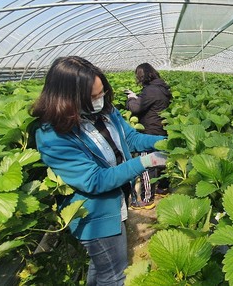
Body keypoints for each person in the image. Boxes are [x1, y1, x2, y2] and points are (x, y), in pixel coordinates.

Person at [31, 56, 167, 285]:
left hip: (117, 200)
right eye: (93, 97)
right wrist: (145, 163)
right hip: (95, 214)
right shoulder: (52, 135)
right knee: (114, 274)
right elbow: (94, 180)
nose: (100, 99)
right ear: (68, 98)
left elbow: (131, 138)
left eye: (102, 92)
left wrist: (164, 143)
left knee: (104, 267)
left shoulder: (105, 111)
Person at [125, 63, 172, 208]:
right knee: (162, 159)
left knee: (147, 164)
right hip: (162, 128)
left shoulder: (150, 90)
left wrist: (131, 98)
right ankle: (163, 188)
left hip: (149, 130)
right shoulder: (162, 87)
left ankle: (147, 199)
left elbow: (136, 108)